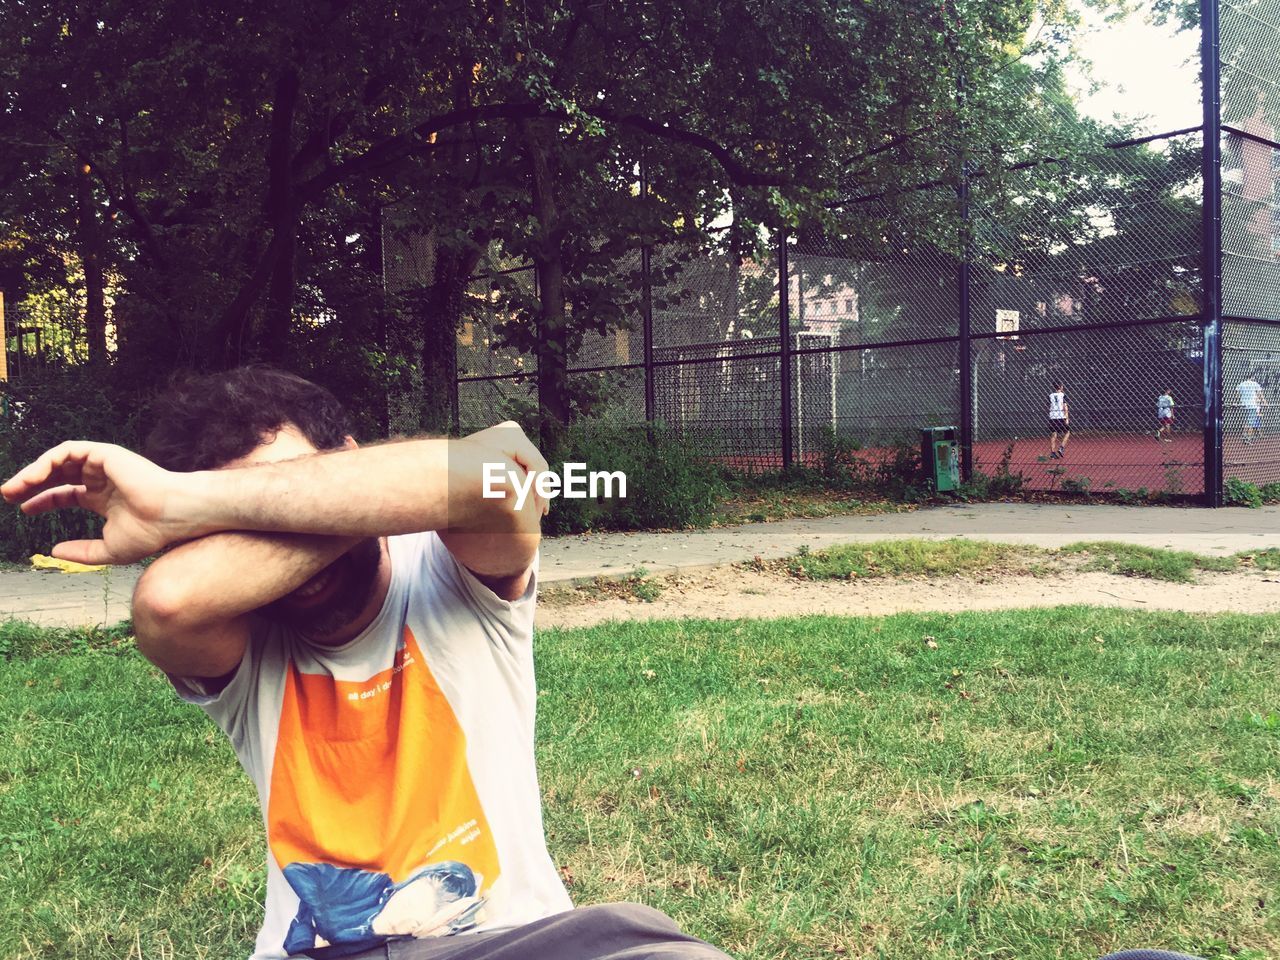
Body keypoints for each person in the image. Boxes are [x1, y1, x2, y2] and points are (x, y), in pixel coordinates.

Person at [0, 366, 730, 960]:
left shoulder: (450, 575)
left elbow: (501, 473)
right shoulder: (243, 638)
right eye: (229, 526)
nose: (270, 519)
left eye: (294, 486)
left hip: (513, 941)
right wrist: (349, 504)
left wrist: (193, 502)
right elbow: (166, 602)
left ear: (349, 459)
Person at [1237, 373, 1266, 445]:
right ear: (1252, 377)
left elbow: (1237, 395)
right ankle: (1248, 439)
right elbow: (1260, 394)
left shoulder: (1241, 384)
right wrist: (1265, 402)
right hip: (1252, 405)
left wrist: (1238, 402)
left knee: (1246, 422)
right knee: (1251, 423)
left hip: (1243, 405)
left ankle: (1244, 436)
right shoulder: (1254, 384)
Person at [1048, 381, 1070, 460]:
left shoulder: (1050, 395)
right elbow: (1065, 407)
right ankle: (1061, 448)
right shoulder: (1063, 395)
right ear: (1061, 387)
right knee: (1067, 432)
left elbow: (1049, 406)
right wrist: (1067, 419)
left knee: (1054, 434)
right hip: (1060, 416)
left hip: (1052, 417)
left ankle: (1052, 453)